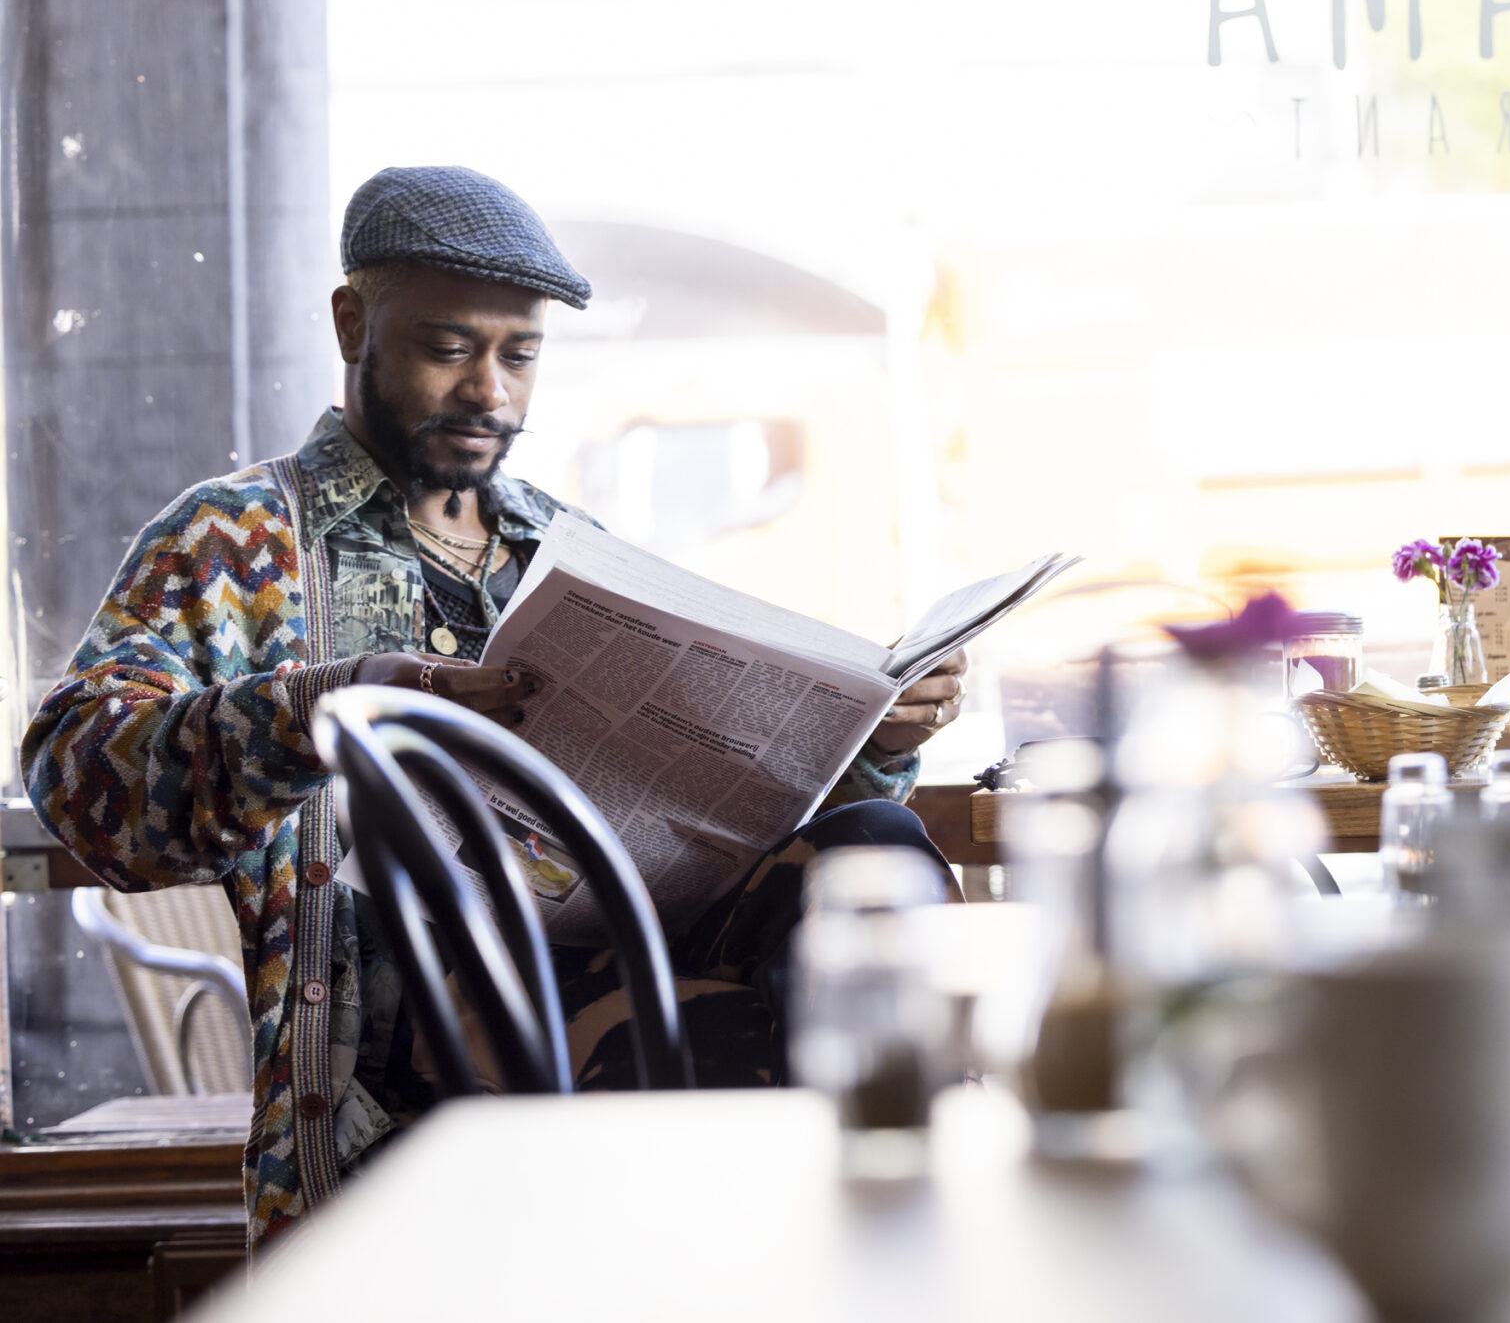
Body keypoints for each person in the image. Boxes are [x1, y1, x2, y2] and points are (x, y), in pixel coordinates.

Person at [21, 165, 969, 1245]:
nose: (492, 393)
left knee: (871, 849)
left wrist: (877, 742)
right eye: (448, 348)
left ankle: (895, 1228)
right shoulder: (236, 543)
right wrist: (330, 704)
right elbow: (75, 778)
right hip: (404, 1089)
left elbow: (730, 817)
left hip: (614, 994)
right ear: (352, 323)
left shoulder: (567, 551)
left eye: (520, 355)